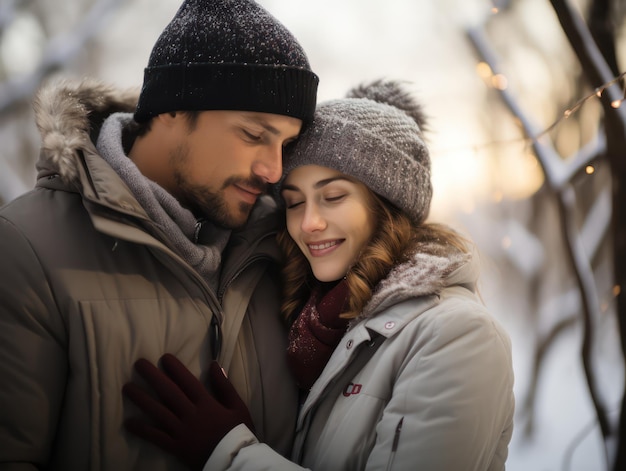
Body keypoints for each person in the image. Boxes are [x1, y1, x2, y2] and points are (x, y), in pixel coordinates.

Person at [122, 80, 515, 470]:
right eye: (294, 203)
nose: (308, 223)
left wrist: (229, 455)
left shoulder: (457, 335)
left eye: (334, 197)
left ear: (387, 205)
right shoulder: (316, 326)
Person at [0, 0, 318, 468]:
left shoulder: (285, 248)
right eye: (254, 134)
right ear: (171, 110)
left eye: (286, 145)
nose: (273, 169)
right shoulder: (27, 246)